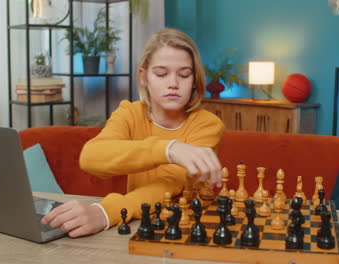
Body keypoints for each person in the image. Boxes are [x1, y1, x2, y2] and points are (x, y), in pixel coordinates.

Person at [41, 28, 225, 238]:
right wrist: (168, 149)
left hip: (191, 229)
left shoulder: (207, 125)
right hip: (139, 225)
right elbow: (91, 157)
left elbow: (170, 184)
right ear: (144, 76)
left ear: (194, 81)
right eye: (161, 73)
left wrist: (105, 212)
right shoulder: (129, 113)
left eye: (184, 74)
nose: (173, 83)